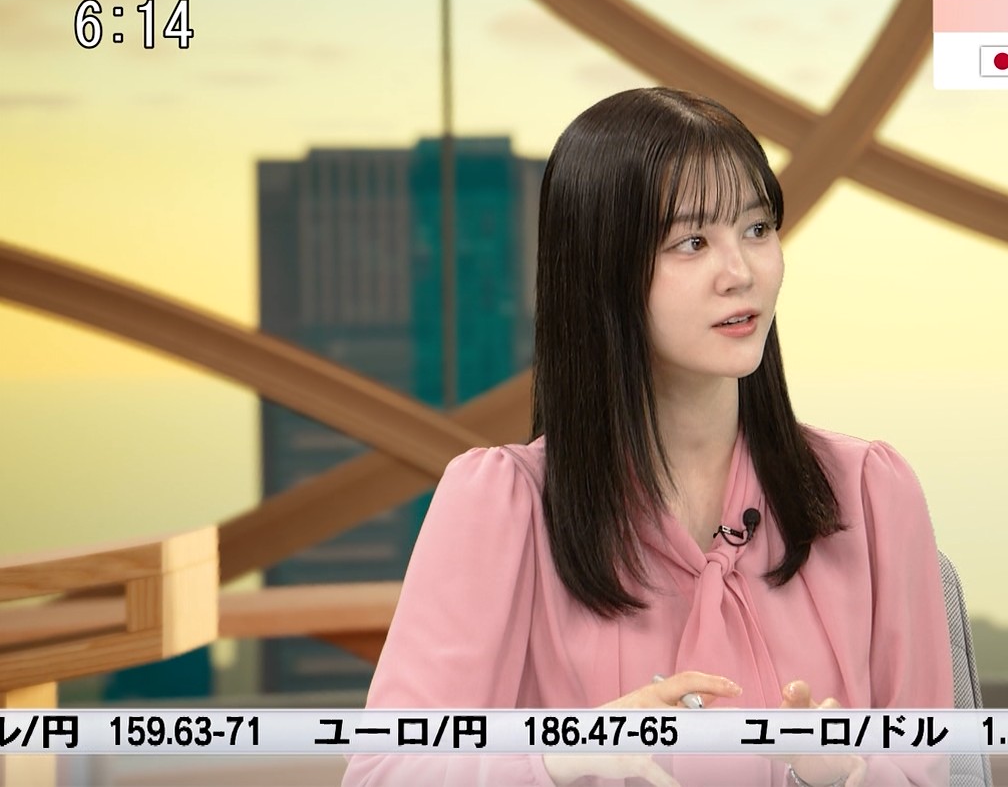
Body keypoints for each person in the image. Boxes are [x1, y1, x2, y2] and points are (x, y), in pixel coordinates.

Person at [343, 87, 952, 786]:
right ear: (602, 270)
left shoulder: (869, 493)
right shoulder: (503, 505)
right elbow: (385, 771)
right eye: (693, 243)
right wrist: (563, 756)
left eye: (757, 229)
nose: (741, 273)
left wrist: (845, 773)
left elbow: (931, 771)